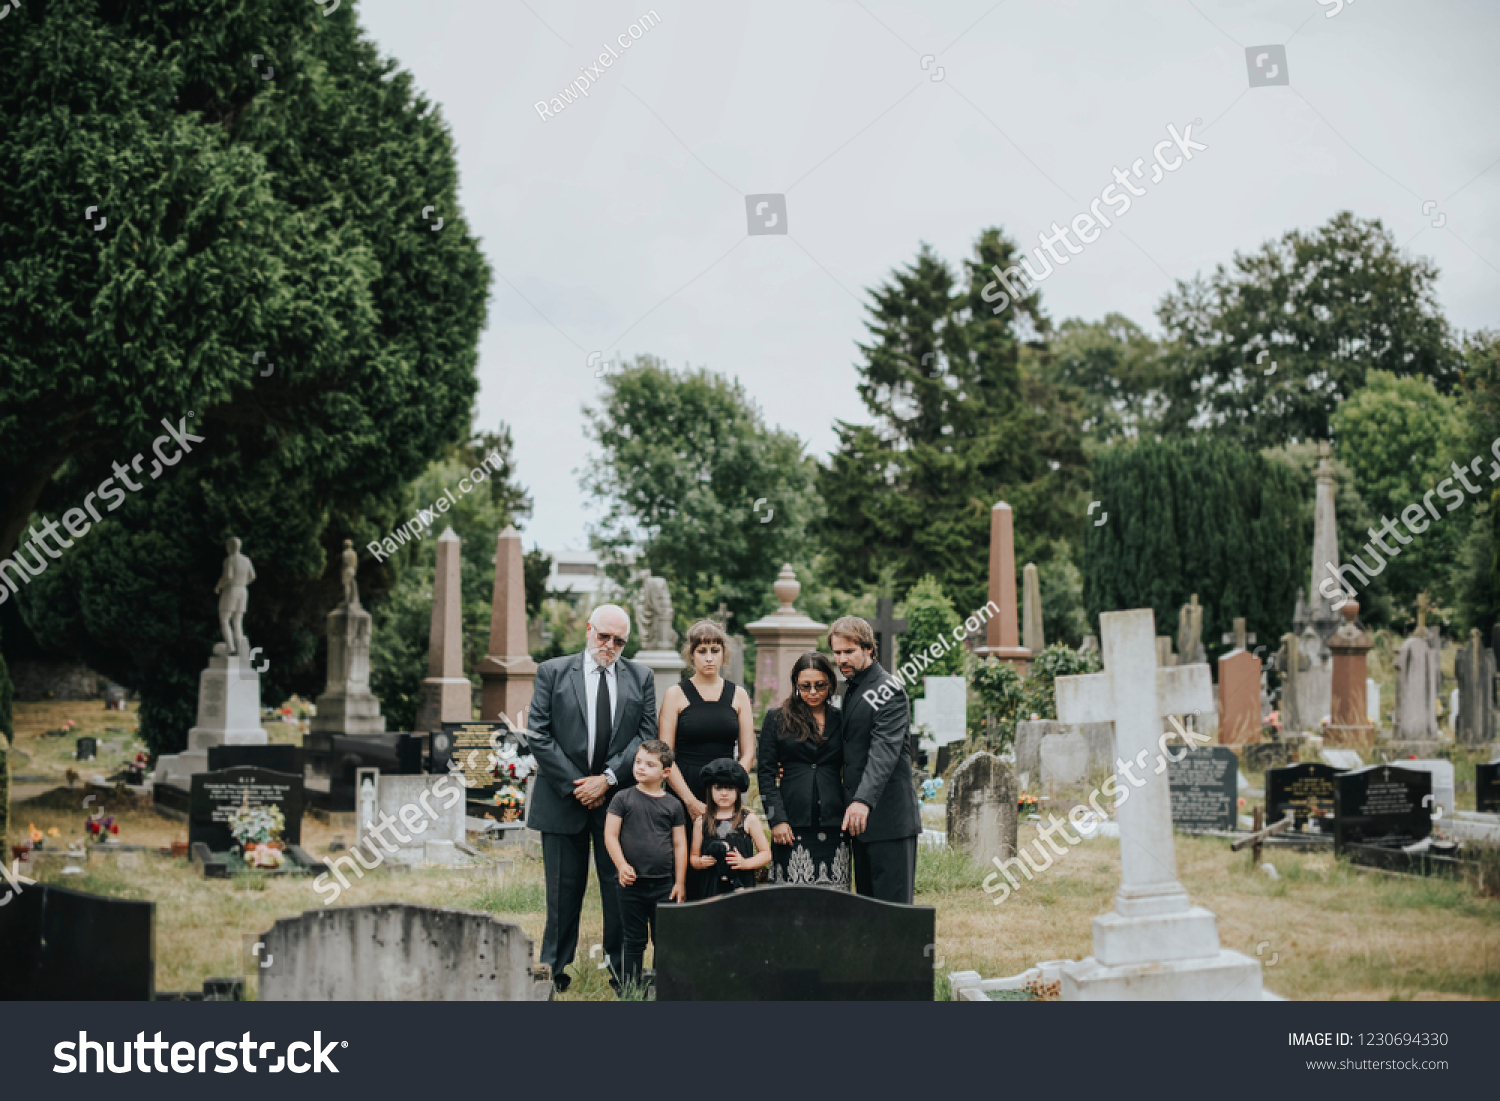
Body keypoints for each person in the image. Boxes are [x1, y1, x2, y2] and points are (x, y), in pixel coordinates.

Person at [525, 603, 657, 993]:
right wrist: (578, 785)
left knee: (620, 888)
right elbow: (539, 733)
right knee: (563, 891)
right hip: (562, 797)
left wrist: (608, 779)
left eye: (619, 641)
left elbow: (645, 735)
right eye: (604, 637)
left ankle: (623, 972)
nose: (610, 646)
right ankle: (554, 972)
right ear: (588, 630)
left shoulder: (641, 676)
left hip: (618, 801)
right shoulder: (552, 672)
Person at [829, 615, 921, 904]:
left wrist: (862, 801)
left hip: (888, 819)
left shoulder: (888, 690)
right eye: (837, 652)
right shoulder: (853, 687)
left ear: (869, 649)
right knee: (869, 912)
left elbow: (884, 752)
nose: (842, 659)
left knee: (894, 913)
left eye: (849, 652)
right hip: (861, 823)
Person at [659, 618, 755, 895]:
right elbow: (666, 754)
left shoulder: (738, 695)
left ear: (724, 653)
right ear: (691, 654)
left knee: (723, 860)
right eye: (702, 651)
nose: (709, 657)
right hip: (684, 785)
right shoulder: (675, 695)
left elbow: (748, 752)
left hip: (725, 792)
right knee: (687, 860)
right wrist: (689, 800)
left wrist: (732, 786)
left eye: (715, 650)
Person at [757, 651, 850, 889]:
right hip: (790, 820)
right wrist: (776, 819)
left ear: (830, 683)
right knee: (790, 901)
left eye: (820, 685)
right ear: (796, 685)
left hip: (833, 819)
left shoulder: (842, 720)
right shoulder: (777, 719)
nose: (812, 693)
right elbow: (765, 774)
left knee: (832, 901)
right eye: (805, 686)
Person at [604, 739, 686, 993]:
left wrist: (680, 882)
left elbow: (679, 844)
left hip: (664, 885)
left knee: (663, 940)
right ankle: (631, 989)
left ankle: (664, 989)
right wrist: (621, 864)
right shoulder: (623, 798)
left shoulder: (672, 805)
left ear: (666, 772)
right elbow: (610, 835)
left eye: (650, 765)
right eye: (638, 762)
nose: (640, 767)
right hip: (631, 885)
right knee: (634, 939)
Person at [690, 758, 770, 897]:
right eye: (718, 787)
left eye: (730, 788)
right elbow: (693, 857)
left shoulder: (748, 819)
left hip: (741, 887)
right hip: (711, 888)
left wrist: (745, 863)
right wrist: (700, 862)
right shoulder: (701, 822)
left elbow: (766, 854)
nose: (724, 793)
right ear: (710, 790)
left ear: (738, 790)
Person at [215, 535, 256, 655]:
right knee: (238, 621)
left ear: (230, 547)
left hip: (231, 590)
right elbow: (252, 576)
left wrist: (218, 586)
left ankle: (230, 646)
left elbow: (228, 576)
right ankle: (240, 648)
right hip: (243, 591)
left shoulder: (230, 560)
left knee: (224, 619)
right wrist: (243, 583)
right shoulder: (246, 560)